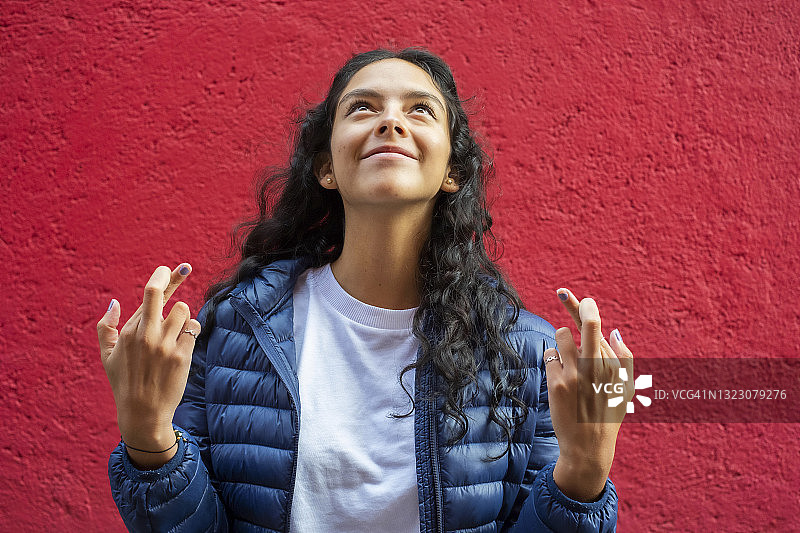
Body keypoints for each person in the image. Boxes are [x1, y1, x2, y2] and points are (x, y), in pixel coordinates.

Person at [97, 48, 633, 533]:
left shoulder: (527, 352)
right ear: (327, 167)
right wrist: (148, 436)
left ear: (451, 171)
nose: (391, 122)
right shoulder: (236, 328)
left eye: (419, 110)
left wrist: (585, 473)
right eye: (362, 108)